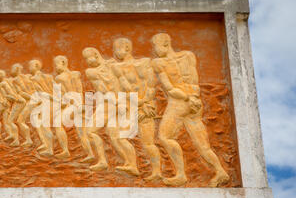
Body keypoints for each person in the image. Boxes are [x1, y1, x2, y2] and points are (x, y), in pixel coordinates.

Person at [151, 33, 230, 187]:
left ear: (165, 44)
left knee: (165, 136)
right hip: (195, 102)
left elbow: (170, 88)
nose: (154, 50)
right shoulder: (188, 55)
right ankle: (220, 171)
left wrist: (186, 99)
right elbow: (194, 81)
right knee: (202, 144)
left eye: (156, 46)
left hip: (179, 102)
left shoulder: (159, 63)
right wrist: (193, 97)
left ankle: (181, 175)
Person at [83, 47, 139, 176]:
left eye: (88, 58)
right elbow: (126, 83)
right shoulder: (113, 64)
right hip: (120, 102)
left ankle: (103, 161)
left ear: (96, 55)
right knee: (116, 137)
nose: (87, 62)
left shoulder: (92, 71)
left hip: (110, 103)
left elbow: (104, 89)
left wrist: (119, 102)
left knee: (90, 131)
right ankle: (131, 165)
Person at [111, 38, 161, 181]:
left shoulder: (120, 68)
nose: (115, 52)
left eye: (116, 48)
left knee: (146, 142)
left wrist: (142, 105)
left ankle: (156, 171)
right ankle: (134, 166)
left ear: (126, 48)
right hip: (141, 107)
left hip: (141, 108)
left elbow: (126, 89)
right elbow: (149, 87)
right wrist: (144, 104)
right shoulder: (144, 62)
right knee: (123, 138)